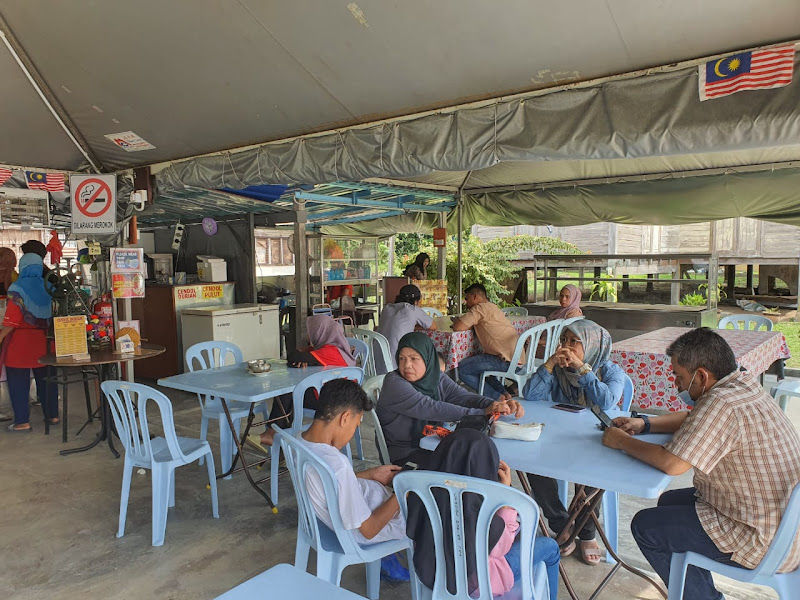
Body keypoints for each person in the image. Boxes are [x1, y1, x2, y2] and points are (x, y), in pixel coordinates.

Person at [602, 327, 800, 600]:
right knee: (668, 503)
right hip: (783, 525)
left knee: (645, 527)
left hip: (762, 540)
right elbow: (695, 419)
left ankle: (705, 597)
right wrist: (645, 423)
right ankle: (694, 586)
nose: (677, 385)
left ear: (702, 375)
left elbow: (672, 464)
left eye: (679, 377)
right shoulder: (740, 382)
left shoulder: (721, 402)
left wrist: (620, 441)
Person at [406, 429, 560, 598]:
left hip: (433, 574)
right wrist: (505, 493)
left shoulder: (420, 491)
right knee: (550, 547)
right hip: (480, 582)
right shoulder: (483, 504)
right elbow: (501, 547)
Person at [523, 319, 624, 564]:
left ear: (590, 344)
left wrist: (583, 369)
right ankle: (562, 524)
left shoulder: (610, 371)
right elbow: (531, 396)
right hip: (561, 435)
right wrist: (548, 364)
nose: (566, 347)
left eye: (574, 342)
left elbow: (607, 402)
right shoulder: (558, 370)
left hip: (596, 437)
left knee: (596, 468)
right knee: (531, 462)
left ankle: (587, 531)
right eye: (563, 341)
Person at [298, 378, 409, 580]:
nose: (353, 432)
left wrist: (370, 474)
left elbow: (330, 484)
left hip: (341, 514)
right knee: (428, 509)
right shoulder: (337, 464)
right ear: (345, 418)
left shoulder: (299, 441)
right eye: (356, 425)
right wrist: (403, 492)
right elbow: (369, 530)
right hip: (362, 532)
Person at [376, 331, 523, 466]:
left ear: (428, 359)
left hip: (433, 443)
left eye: (414, 359)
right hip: (404, 454)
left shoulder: (435, 377)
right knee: (469, 464)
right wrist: (482, 412)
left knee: (480, 459)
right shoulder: (394, 383)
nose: (407, 365)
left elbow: (462, 396)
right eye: (402, 358)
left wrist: (495, 405)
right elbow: (431, 408)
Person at [250, 314, 356, 449]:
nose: (309, 336)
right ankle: (280, 441)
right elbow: (296, 358)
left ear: (320, 332)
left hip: (332, 402)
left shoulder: (329, 351)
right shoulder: (337, 347)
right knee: (292, 395)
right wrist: (302, 360)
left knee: (292, 390)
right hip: (338, 397)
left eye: (311, 332)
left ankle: (273, 434)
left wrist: (301, 358)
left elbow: (294, 356)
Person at [0, 250, 57, 431]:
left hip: (20, 344)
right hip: (45, 342)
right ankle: (53, 416)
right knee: (47, 380)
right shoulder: (50, 288)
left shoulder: (17, 289)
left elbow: (11, 321)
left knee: (18, 383)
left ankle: (22, 422)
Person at [453, 283, 523, 399]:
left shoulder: (479, 308)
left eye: (467, 298)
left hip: (504, 360)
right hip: (517, 359)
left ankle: (496, 396)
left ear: (474, 297)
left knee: (462, 369)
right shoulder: (493, 306)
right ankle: (504, 393)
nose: (466, 302)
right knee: (478, 365)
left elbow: (458, 327)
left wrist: (458, 322)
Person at [376, 284, 436, 372]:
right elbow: (433, 326)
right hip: (395, 364)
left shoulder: (387, 308)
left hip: (375, 360)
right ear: (416, 301)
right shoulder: (412, 309)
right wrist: (415, 327)